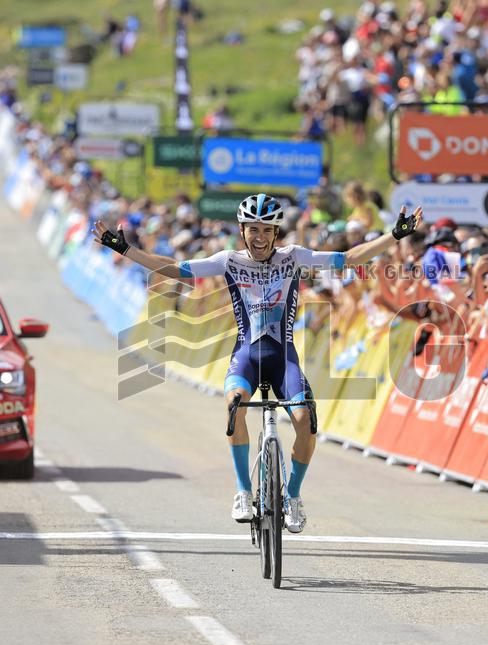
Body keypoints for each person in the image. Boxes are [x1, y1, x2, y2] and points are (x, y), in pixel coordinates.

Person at [92, 193, 423, 533]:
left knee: (305, 421)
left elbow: (349, 257)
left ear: (277, 232)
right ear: (242, 230)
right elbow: (175, 269)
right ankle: (243, 491)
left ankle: (292, 495)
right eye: (253, 229)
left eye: (267, 230)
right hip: (246, 356)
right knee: (234, 406)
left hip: (283, 358)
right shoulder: (229, 261)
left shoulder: (295, 257)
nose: (260, 236)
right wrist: (125, 249)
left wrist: (395, 235)